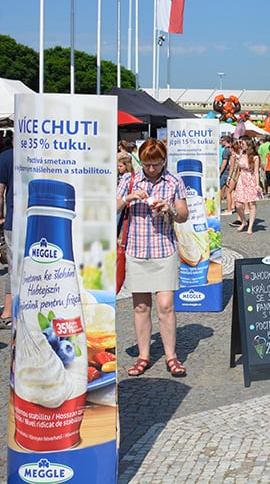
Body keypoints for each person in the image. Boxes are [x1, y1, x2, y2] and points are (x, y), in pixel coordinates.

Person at [115, 138, 190, 377]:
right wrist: (128, 198)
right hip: (136, 250)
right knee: (140, 306)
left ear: (164, 161)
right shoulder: (129, 179)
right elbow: (110, 207)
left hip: (164, 249)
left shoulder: (174, 181)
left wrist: (169, 209)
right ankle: (143, 355)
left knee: (166, 306)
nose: (151, 169)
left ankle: (171, 356)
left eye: (156, 164)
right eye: (147, 164)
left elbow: (184, 215)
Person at [233, 138, 262, 234]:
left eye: (243, 144)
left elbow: (256, 172)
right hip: (241, 180)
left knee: (251, 204)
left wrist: (257, 184)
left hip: (250, 180)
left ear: (248, 145)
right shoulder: (242, 154)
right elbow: (238, 168)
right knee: (238, 204)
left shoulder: (255, 157)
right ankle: (244, 221)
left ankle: (250, 226)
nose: (241, 145)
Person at [0, 134, 13, 329]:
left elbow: (0, 192)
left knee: (14, 268)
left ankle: (8, 312)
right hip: (43, 219)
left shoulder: (6, 157)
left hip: (13, 219)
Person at [219, 136, 234, 215]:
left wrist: (220, 172)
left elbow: (224, 163)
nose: (221, 142)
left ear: (225, 141)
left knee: (221, 190)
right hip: (230, 172)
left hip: (225, 172)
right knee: (229, 191)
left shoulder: (225, 151)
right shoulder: (231, 149)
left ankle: (218, 207)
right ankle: (230, 207)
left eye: (222, 140)